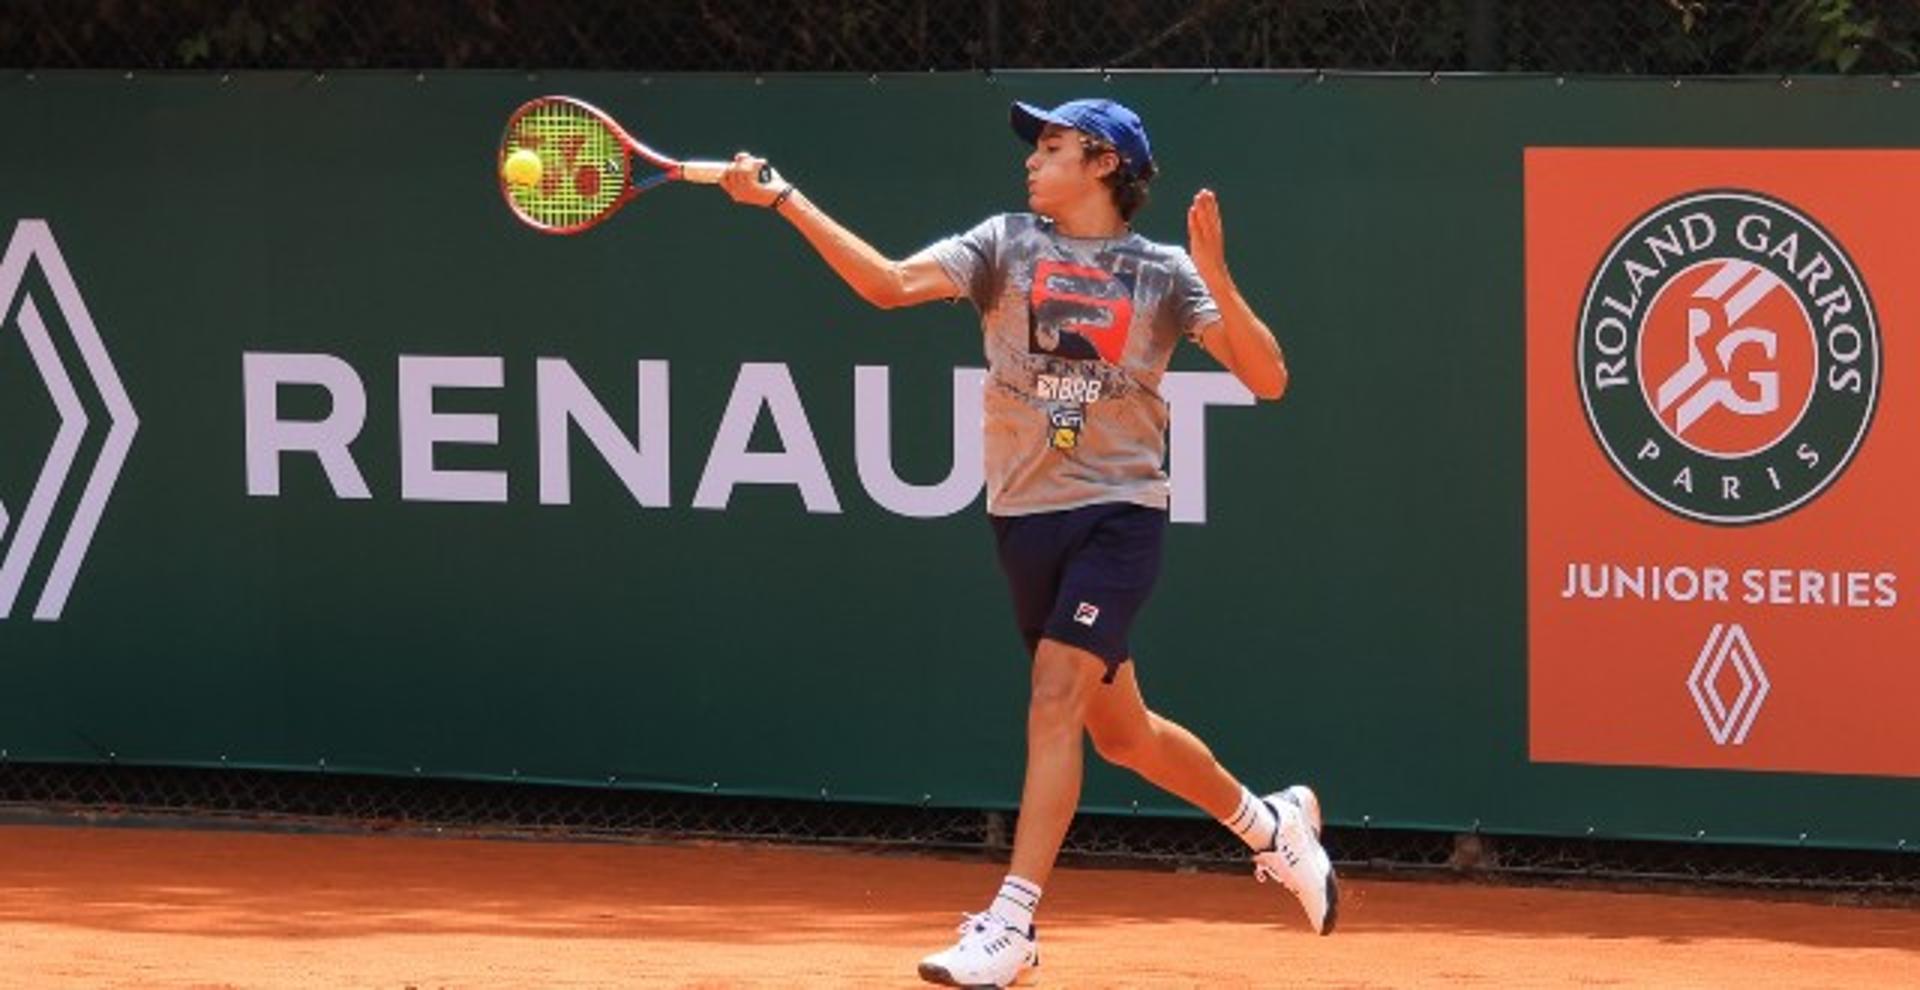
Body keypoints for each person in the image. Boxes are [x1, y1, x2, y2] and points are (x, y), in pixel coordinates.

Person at [719, 97, 1336, 989]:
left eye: (1049, 147)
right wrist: (785, 198)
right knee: (1124, 734)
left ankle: (1012, 925)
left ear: (1102, 163)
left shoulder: (1163, 274)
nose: (1030, 161)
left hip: (1118, 515)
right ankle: (1269, 825)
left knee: (1054, 697)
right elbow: (887, 284)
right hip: (1023, 519)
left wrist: (1219, 276)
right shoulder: (1004, 243)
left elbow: (1269, 377)